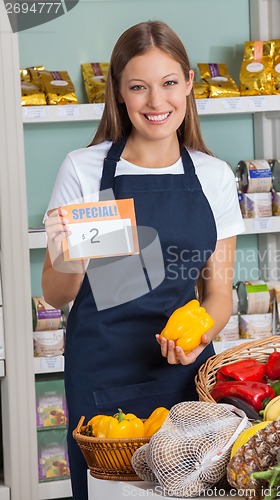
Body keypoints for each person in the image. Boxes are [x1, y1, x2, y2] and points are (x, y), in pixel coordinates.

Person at [42, 20, 245, 500]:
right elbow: (55, 293)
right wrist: (76, 244)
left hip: (186, 376)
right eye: (139, 87)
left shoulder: (214, 177)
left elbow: (217, 295)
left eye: (169, 83)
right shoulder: (84, 169)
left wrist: (200, 334)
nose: (157, 102)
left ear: (189, 84)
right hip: (102, 373)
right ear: (119, 92)